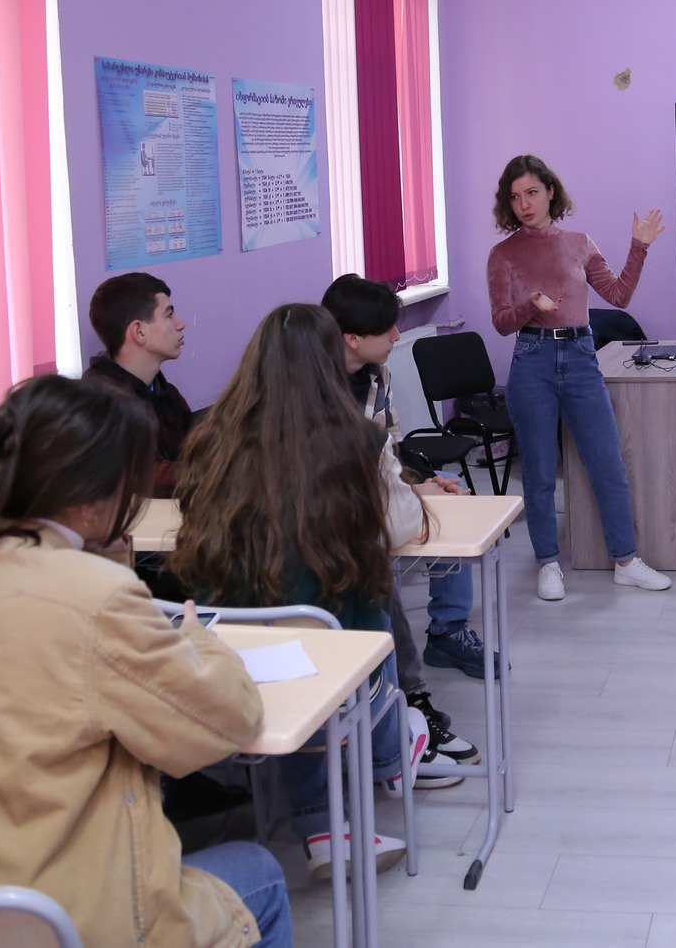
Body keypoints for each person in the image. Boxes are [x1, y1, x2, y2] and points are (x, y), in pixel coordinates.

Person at [0, 375, 290, 948]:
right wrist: (201, 640)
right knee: (259, 872)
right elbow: (224, 722)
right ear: (95, 498)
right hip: (55, 921)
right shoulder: (94, 596)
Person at [170, 303, 463, 880]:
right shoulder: (355, 441)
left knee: (305, 628)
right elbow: (398, 528)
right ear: (332, 362)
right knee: (361, 616)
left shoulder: (211, 440)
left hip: (224, 647)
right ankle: (393, 748)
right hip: (329, 651)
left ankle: (323, 823)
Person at [488, 154, 673, 601]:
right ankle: (548, 564)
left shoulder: (578, 242)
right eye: (515, 197)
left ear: (551, 191)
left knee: (608, 464)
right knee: (538, 471)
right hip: (532, 360)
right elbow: (502, 323)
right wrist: (532, 305)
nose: (524, 204)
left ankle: (625, 561)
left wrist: (639, 246)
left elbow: (618, 295)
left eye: (532, 192)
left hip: (581, 357)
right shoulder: (503, 254)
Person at [321, 274, 492, 740]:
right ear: (352, 338)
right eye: (388, 328)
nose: (398, 336)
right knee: (376, 558)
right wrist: (410, 494)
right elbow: (342, 476)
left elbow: (391, 450)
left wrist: (424, 480)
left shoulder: (378, 375)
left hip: (378, 487)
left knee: (453, 490)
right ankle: (408, 694)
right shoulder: (313, 389)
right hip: (341, 508)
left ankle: (448, 632)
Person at [85, 271, 191, 496]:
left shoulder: (167, 394)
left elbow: (200, 447)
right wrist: (221, 474)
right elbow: (145, 478)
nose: (180, 324)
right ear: (139, 331)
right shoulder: (103, 405)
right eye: (169, 315)